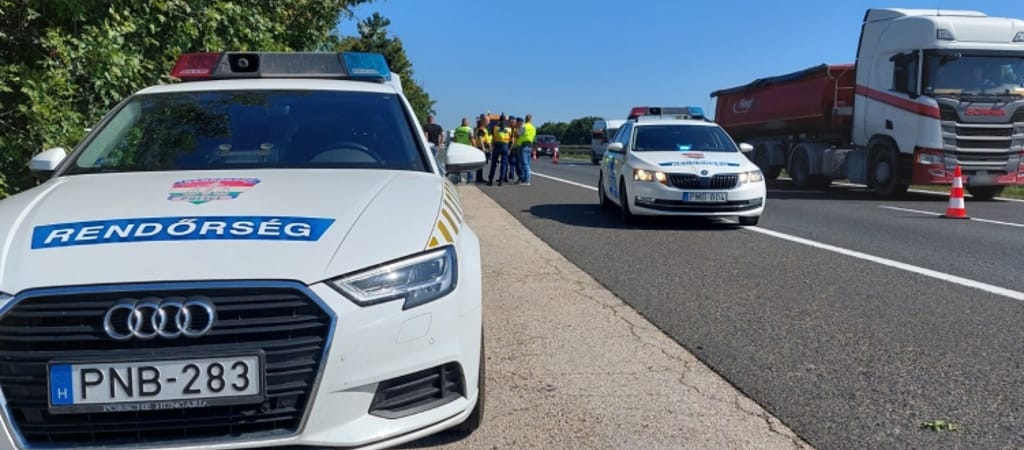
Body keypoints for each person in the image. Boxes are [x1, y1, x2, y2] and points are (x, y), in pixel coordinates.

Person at [487, 115, 513, 186]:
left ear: (499, 121)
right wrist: (509, 149)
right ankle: (501, 180)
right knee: (503, 164)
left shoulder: (495, 128)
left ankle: (490, 180)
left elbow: (492, 137)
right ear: (505, 121)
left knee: (493, 164)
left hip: (497, 146)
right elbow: (512, 140)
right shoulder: (509, 129)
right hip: (505, 146)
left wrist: (491, 146)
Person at [515, 114, 537, 186]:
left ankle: (526, 180)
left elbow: (517, 135)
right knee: (527, 163)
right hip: (529, 146)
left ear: (525, 119)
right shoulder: (533, 128)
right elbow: (534, 138)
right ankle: (526, 179)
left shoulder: (524, 126)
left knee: (524, 163)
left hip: (523, 146)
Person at [452, 117, 475, 183]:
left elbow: (455, 139)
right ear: (467, 123)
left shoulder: (457, 129)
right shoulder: (469, 129)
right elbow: (472, 139)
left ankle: (458, 179)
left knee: (458, 165)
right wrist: (475, 147)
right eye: (468, 122)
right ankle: (470, 179)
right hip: (467, 149)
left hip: (459, 149)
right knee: (469, 164)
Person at [473, 115, 491, 183]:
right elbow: (480, 138)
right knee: (481, 164)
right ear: (483, 121)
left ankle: (480, 178)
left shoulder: (483, 129)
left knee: (481, 164)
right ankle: (479, 179)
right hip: (481, 147)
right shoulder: (481, 129)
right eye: (488, 121)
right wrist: (483, 148)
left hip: (482, 147)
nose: (489, 122)